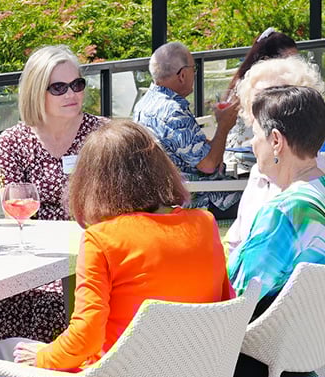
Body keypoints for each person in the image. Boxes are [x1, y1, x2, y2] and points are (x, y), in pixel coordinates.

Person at [0, 120, 232, 377]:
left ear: (92, 181)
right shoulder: (205, 224)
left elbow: (85, 339)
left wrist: (43, 357)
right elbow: (223, 304)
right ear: (158, 168)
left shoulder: (101, 239)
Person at [0, 45, 107, 374]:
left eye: (77, 85)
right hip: (37, 255)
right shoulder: (14, 141)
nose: (71, 94)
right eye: (58, 87)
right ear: (35, 91)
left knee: (55, 304)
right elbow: (14, 206)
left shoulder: (102, 135)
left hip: (93, 250)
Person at [224, 56, 324, 253]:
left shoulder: (314, 177)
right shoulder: (258, 174)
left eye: (274, 98)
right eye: (256, 103)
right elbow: (235, 241)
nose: (262, 108)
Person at [133, 42, 241, 219]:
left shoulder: (144, 105)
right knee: (259, 200)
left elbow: (185, 150)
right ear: (182, 75)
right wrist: (224, 125)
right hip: (198, 198)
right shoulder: (172, 110)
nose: (195, 73)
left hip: (165, 194)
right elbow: (208, 165)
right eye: (194, 68)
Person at [224, 28, 298, 169]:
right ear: (267, 61)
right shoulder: (258, 86)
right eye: (287, 61)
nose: (293, 67)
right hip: (246, 159)